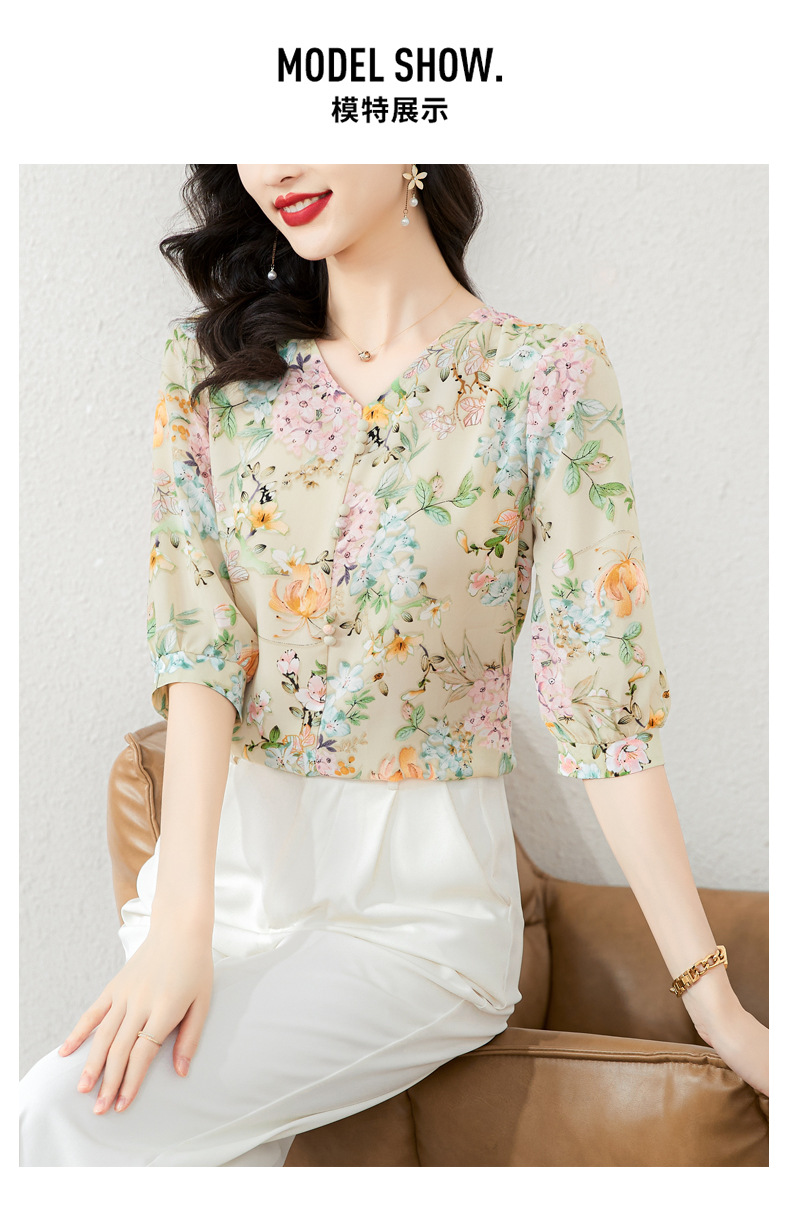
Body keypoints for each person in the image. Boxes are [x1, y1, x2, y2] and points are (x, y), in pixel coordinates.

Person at [19, 164, 768, 1167]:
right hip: (222, 886)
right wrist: (181, 920)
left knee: (58, 1115)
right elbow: (201, 647)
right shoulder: (209, 369)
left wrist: (716, 1007)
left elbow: (602, 699)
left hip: (419, 915)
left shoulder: (544, 376)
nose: (276, 165)